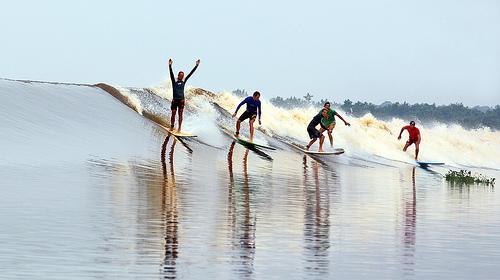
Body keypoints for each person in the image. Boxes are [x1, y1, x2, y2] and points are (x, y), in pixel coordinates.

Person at [168, 58, 200, 131]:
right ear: (178, 75)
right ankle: (172, 127)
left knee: (180, 115)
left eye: (183, 76)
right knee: (173, 113)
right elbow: (171, 73)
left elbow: (191, 73)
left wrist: (196, 65)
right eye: (181, 76)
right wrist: (170, 65)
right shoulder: (174, 81)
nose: (182, 77)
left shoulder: (184, 81)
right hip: (175, 100)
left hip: (181, 100)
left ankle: (179, 128)